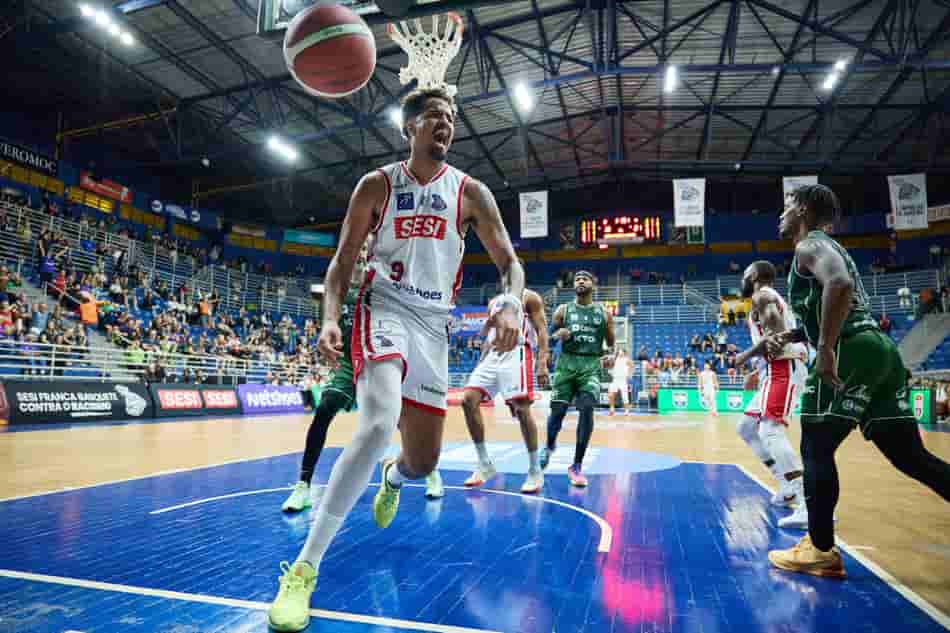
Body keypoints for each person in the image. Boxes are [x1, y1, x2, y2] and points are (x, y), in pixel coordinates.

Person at [267, 86, 524, 632]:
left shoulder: (471, 192)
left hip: (435, 327)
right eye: (434, 116)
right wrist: (331, 317)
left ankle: (394, 475)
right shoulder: (377, 186)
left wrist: (507, 304)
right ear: (409, 128)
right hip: (382, 308)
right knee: (378, 420)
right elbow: (340, 265)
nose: (445, 124)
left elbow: (510, 263)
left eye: (451, 117)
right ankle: (303, 571)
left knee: (423, 463)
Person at [766, 184, 950, 579]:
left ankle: (819, 550)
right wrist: (794, 336)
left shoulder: (809, 246)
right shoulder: (829, 249)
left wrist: (826, 348)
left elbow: (840, 286)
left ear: (801, 209)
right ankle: (818, 546)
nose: (780, 215)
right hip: (880, 352)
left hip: (851, 350)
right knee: (911, 457)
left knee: (815, 446)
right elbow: (836, 300)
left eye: (785, 207)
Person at [280, 242, 444, 514]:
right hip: (349, 360)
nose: (364, 248)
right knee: (324, 408)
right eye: (361, 243)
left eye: (370, 243)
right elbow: (330, 305)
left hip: (382, 354)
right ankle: (303, 486)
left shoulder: (387, 278)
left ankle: (429, 471)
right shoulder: (339, 282)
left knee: (402, 419)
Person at [734, 260, 810, 529]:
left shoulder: (762, 295)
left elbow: (778, 336)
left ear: (753, 275)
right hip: (774, 369)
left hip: (783, 369)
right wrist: (759, 367)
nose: (742, 280)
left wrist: (746, 356)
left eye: (744, 274)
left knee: (770, 431)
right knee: (746, 428)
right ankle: (787, 485)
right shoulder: (765, 297)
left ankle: (807, 502)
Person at [459, 287, 550, 494]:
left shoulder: (529, 297)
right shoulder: (495, 302)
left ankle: (535, 470)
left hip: (516, 352)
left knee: (521, 410)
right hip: (491, 355)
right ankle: (484, 464)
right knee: (468, 399)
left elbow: (542, 330)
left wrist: (542, 362)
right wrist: (480, 364)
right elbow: (491, 333)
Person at [539, 271, 615, 487]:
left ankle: (577, 465)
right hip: (566, 365)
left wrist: (610, 354)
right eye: (577, 279)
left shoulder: (604, 313)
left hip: (590, 365)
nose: (580, 281)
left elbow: (611, 343)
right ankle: (549, 445)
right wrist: (558, 335)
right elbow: (550, 338)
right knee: (558, 411)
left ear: (594, 284)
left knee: (587, 407)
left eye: (585, 278)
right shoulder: (563, 311)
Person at [608, 348, 633, 416]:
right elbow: (610, 365)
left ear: (624, 353)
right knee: (610, 395)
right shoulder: (615, 359)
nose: (620, 352)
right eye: (619, 351)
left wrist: (629, 374)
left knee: (624, 396)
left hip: (623, 380)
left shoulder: (627, 359)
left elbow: (632, 366)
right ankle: (612, 409)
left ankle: (626, 410)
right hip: (615, 379)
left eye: (621, 351)